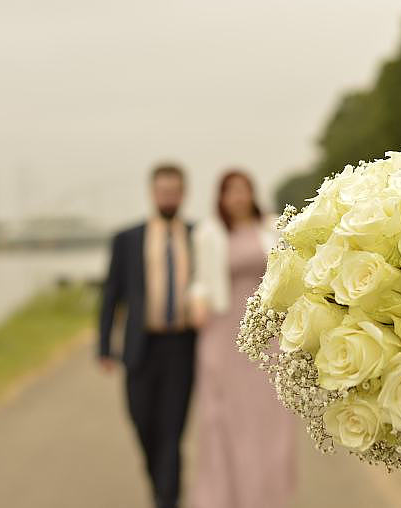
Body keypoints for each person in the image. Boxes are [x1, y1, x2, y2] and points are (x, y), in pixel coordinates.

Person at [189, 171, 297, 508]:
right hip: (223, 333)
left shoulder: (273, 227)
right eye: (229, 192)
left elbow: (292, 271)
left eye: (242, 190)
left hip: (268, 335)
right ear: (220, 197)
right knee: (221, 418)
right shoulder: (209, 233)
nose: (236, 198)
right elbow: (200, 281)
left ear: (252, 193)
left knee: (270, 420)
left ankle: (266, 497)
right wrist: (195, 301)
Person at [98, 164, 195, 508]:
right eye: (162, 190)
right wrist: (104, 347)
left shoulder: (200, 235)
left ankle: (167, 498)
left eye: (174, 190)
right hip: (141, 348)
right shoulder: (128, 239)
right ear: (152, 193)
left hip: (184, 347)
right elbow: (111, 295)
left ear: (184, 194)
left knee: (172, 429)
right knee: (143, 424)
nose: (168, 196)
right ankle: (161, 488)